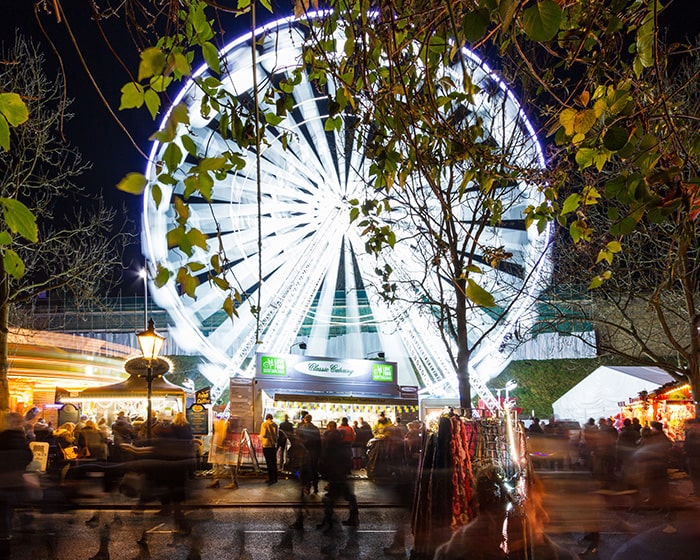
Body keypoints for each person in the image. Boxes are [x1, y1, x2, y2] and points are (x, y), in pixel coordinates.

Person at [0, 413, 33, 559]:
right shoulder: (21, 439)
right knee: (10, 510)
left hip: (2, 482)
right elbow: (28, 457)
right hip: (17, 481)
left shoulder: (2, 437)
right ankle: (23, 532)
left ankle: (5, 545)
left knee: (4, 514)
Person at [317, 421, 359, 531]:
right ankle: (349, 518)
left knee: (332, 497)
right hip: (340, 474)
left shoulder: (329, 443)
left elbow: (325, 458)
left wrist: (323, 470)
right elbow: (347, 460)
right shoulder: (341, 443)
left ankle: (329, 521)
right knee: (344, 496)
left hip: (335, 474)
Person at [296, 414, 321, 495]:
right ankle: (315, 487)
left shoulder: (301, 428)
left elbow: (298, 441)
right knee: (314, 469)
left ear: (305, 419)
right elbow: (319, 442)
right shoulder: (316, 429)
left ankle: (307, 487)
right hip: (314, 452)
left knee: (305, 470)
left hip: (304, 453)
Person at [260, 413, 279, 484]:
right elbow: (277, 436)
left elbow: (264, 434)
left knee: (269, 462)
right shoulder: (275, 425)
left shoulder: (264, 424)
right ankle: (275, 478)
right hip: (273, 445)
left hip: (267, 445)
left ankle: (270, 478)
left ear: (266, 418)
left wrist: (260, 437)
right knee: (274, 462)